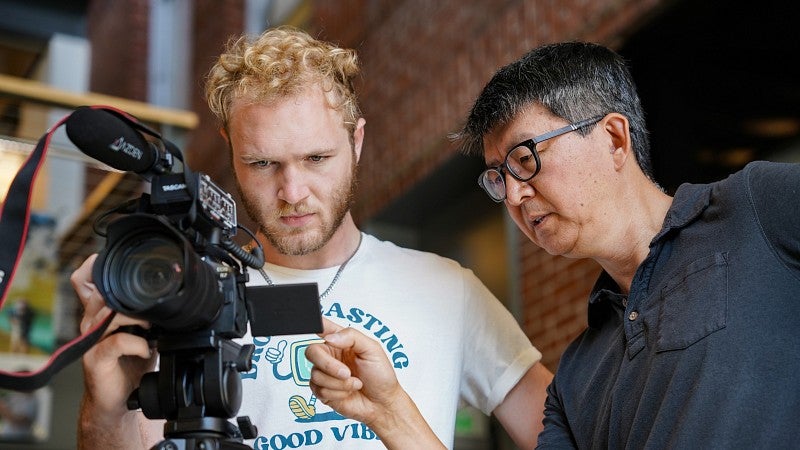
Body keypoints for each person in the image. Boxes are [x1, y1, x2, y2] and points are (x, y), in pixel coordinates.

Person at [73, 26, 553, 449]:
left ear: (356, 142)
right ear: (231, 150)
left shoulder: (448, 289)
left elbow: (562, 437)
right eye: (263, 163)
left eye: (317, 159)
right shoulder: (184, 294)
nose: (292, 192)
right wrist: (105, 404)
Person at [306, 41, 800, 448]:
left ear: (613, 139)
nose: (515, 194)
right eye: (499, 178)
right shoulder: (577, 376)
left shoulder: (754, 209)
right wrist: (389, 412)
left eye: (526, 158)